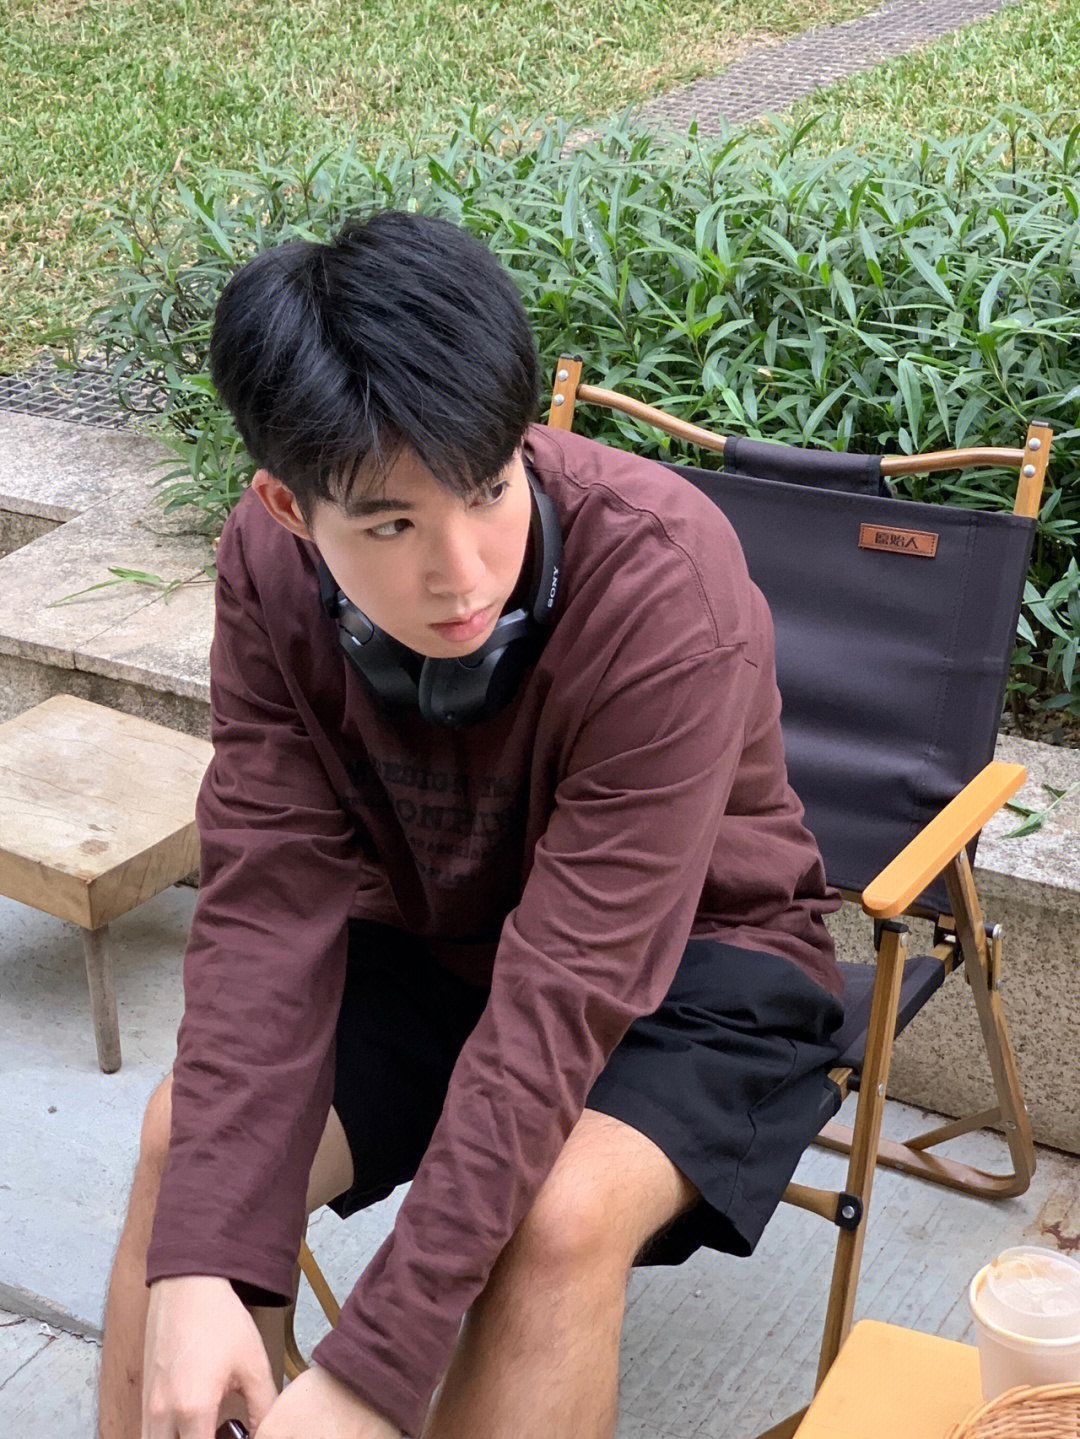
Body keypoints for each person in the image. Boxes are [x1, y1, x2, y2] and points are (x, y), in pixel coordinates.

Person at [97, 208, 847, 1439]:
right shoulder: (267, 570)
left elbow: (567, 986)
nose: (461, 572)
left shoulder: (662, 582)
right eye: (390, 524)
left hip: (694, 968)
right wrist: (200, 1261)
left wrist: (373, 1369)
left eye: (488, 489)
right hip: (430, 941)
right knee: (191, 1159)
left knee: (555, 1220)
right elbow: (268, 897)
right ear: (289, 508)